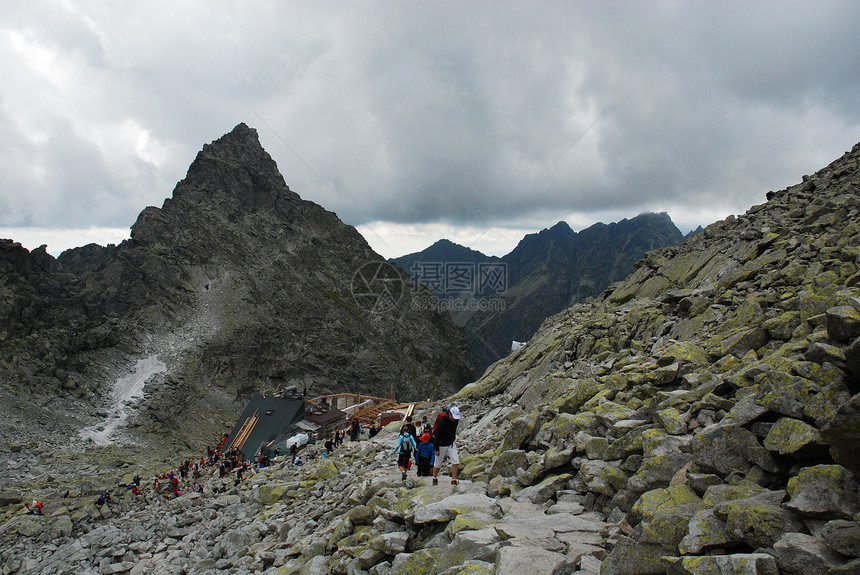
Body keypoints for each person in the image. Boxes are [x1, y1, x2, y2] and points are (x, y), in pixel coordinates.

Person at [432, 406, 461, 485]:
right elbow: (437, 434)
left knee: (456, 461)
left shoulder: (456, 420)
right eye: (454, 417)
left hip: (451, 444)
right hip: (441, 445)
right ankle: (434, 477)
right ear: (450, 414)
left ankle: (453, 480)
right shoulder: (443, 421)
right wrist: (436, 448)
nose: (455, 419)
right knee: (438, 463)